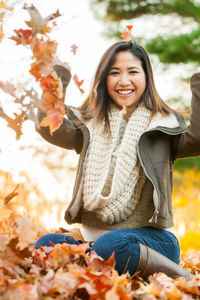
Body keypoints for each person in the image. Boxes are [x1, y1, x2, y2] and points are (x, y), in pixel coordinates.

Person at [35, 40, 199, 280]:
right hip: (95, 242)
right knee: (47, 243)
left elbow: (198, 138)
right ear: (104, 79)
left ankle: (182, 277)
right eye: (114, 73)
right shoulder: (88, 125)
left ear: (146, 77)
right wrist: (57, 77)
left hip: (152, 243)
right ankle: (96, 263)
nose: (124, 81)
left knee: (113, 245)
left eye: (133, 72)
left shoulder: (164, 126)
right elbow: (50, 127)